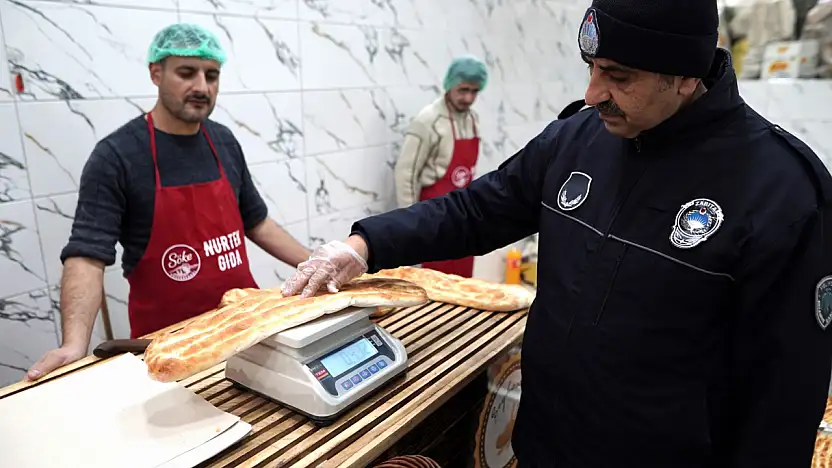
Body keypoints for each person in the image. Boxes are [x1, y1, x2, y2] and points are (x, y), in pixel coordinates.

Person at [280, 0, 832, 466]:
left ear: (687, 76)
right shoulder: (577, 139)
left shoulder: (782, 191)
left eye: (619, 76)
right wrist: (364, 245)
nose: (593, 93)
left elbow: (784, 401)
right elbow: (478, 209)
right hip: (545, 445)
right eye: (592, 67)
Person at [24, 23, 310, 382]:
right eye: (187, 73)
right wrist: (73, 345)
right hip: (168, 346)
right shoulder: (117, 156)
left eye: (212, 75)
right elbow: (87, 254)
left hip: (245, 326)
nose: (202, 87)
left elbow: (257, 222)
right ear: (156, 73)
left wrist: (320, 264)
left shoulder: (223, 140)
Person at [393, 55, 488, 278]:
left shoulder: (473, 119)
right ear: (449, 85)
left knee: (464, 284)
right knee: (435, 282)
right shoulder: (428, 120)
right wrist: (409, 221)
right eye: (463, 90)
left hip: (465, 215)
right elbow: (406, 173)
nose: (468, 98)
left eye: (474, 91)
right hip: (433, 213)